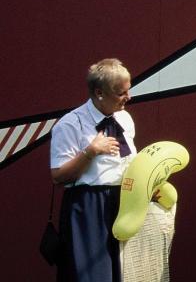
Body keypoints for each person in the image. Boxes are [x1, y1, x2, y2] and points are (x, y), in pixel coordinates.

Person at [50, 58, 137, 282]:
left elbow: (128, 162)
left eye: (128, 90)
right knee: (91, 276)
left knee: (124, 274)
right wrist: (91, 151)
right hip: (88, 206)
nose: (128, 97)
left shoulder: (125, 118)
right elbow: (58, 176)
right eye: (121, 93)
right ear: (99, 93)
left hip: (124, 203)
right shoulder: (70, 124)